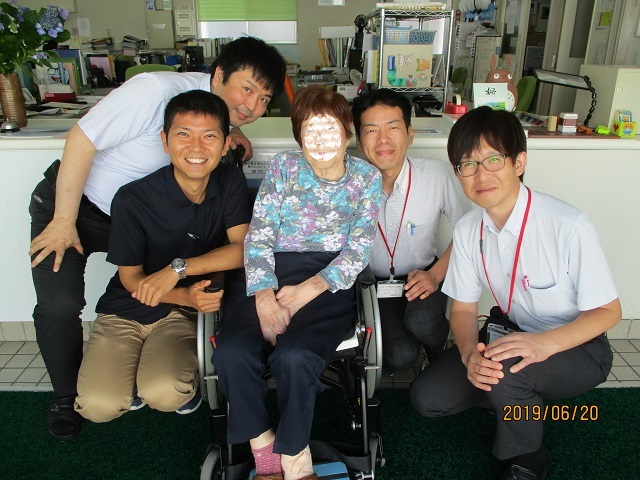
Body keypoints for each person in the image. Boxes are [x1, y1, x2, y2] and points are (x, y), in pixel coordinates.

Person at [28, 37, 285, 440]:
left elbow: (208, 125)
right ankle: (65, 398)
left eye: (264, 99)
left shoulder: (215, 118)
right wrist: (63, 220)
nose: (252, 105)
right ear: (219, 74)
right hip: (74, 206)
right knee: (59, 305)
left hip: (132, 217)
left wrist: (230, 134)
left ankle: (156, 369)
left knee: (150, 278)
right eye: (247, 89)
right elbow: (81, 138)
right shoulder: (154, 90)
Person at [410, 106, 621, 480]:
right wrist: (468, 355)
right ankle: (517, 400)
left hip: (578, 346)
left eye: (493, 159)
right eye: (467, 164)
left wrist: (542, 345)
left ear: (519, 162)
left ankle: (525, 459)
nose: (481, 175)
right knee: (429, 398)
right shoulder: (468, 229)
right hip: (507, 335)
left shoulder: (568, 225)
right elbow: (463, 309)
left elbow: (609, 312)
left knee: (509, 373)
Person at [211, 86, 382, 480]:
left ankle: (294, 457)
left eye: (330, 129)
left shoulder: (366, 178)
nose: (320, 140)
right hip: (268, 273)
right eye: (309, 131)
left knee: (296, 355)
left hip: (327, 282)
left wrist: (305, 291)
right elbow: (258, 236)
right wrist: (265, 297)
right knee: (233, 351)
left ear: (347, 133)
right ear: (298, 137)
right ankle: (265, 453)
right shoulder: (284, 167)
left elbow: (358, 252)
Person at [73, 90, 251, 423]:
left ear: (226, 143)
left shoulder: (229, 180)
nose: (196, 148)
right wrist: (182, 292)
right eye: (183, 134)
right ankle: (128, 385)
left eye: (209, 136)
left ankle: (163, 384)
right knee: (97, 406)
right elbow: (131, 279)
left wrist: (177, 270)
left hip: (182, 314)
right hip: (126, 309)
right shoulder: (132, 199)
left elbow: (242, 249)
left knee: (166, 392)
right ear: (164, 141)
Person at [351, 88, 471, 371]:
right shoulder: (349, 183)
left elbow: (470, 229)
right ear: (359, 141)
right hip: (376, 284)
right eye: (371, 130)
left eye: (393, 127)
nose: (383, 139)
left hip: (425, 273)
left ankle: (438, 352)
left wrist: (435, 275)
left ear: (410, 134)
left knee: (424, 324)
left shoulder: (437, 174)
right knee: (400, 356)